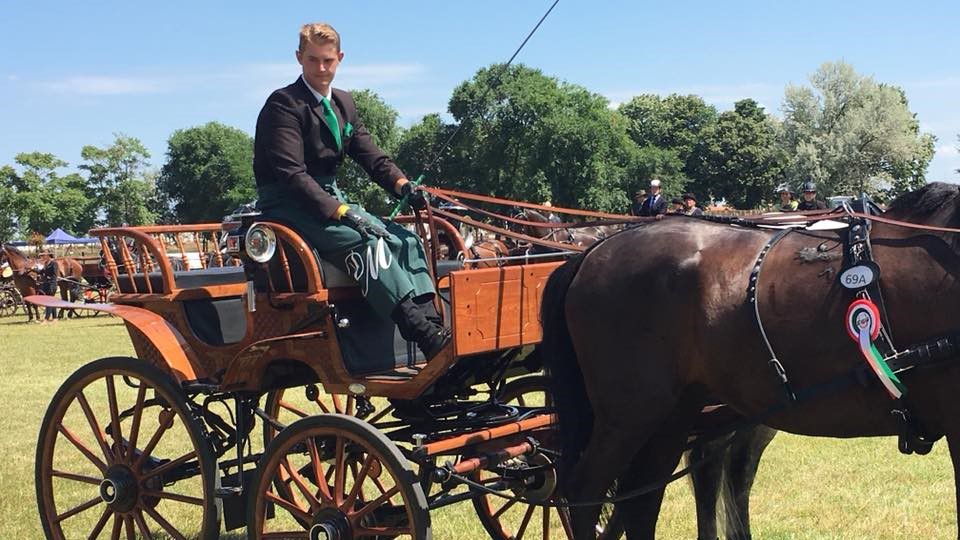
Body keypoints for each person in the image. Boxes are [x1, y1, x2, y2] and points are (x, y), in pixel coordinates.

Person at [253, 22, 449, 360]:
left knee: (407, 240)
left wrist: (403, 185)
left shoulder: (343, 103)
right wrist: (336, 209)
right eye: (313, 60)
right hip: (289, 204)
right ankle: (422, 334)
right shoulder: (283, 105)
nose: (321, 69)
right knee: (369, 244)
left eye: (328, 60)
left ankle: (434, 327)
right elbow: (291, 174)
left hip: (330, 198)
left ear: (340, 58)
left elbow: (371, 156)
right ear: (299, 58)